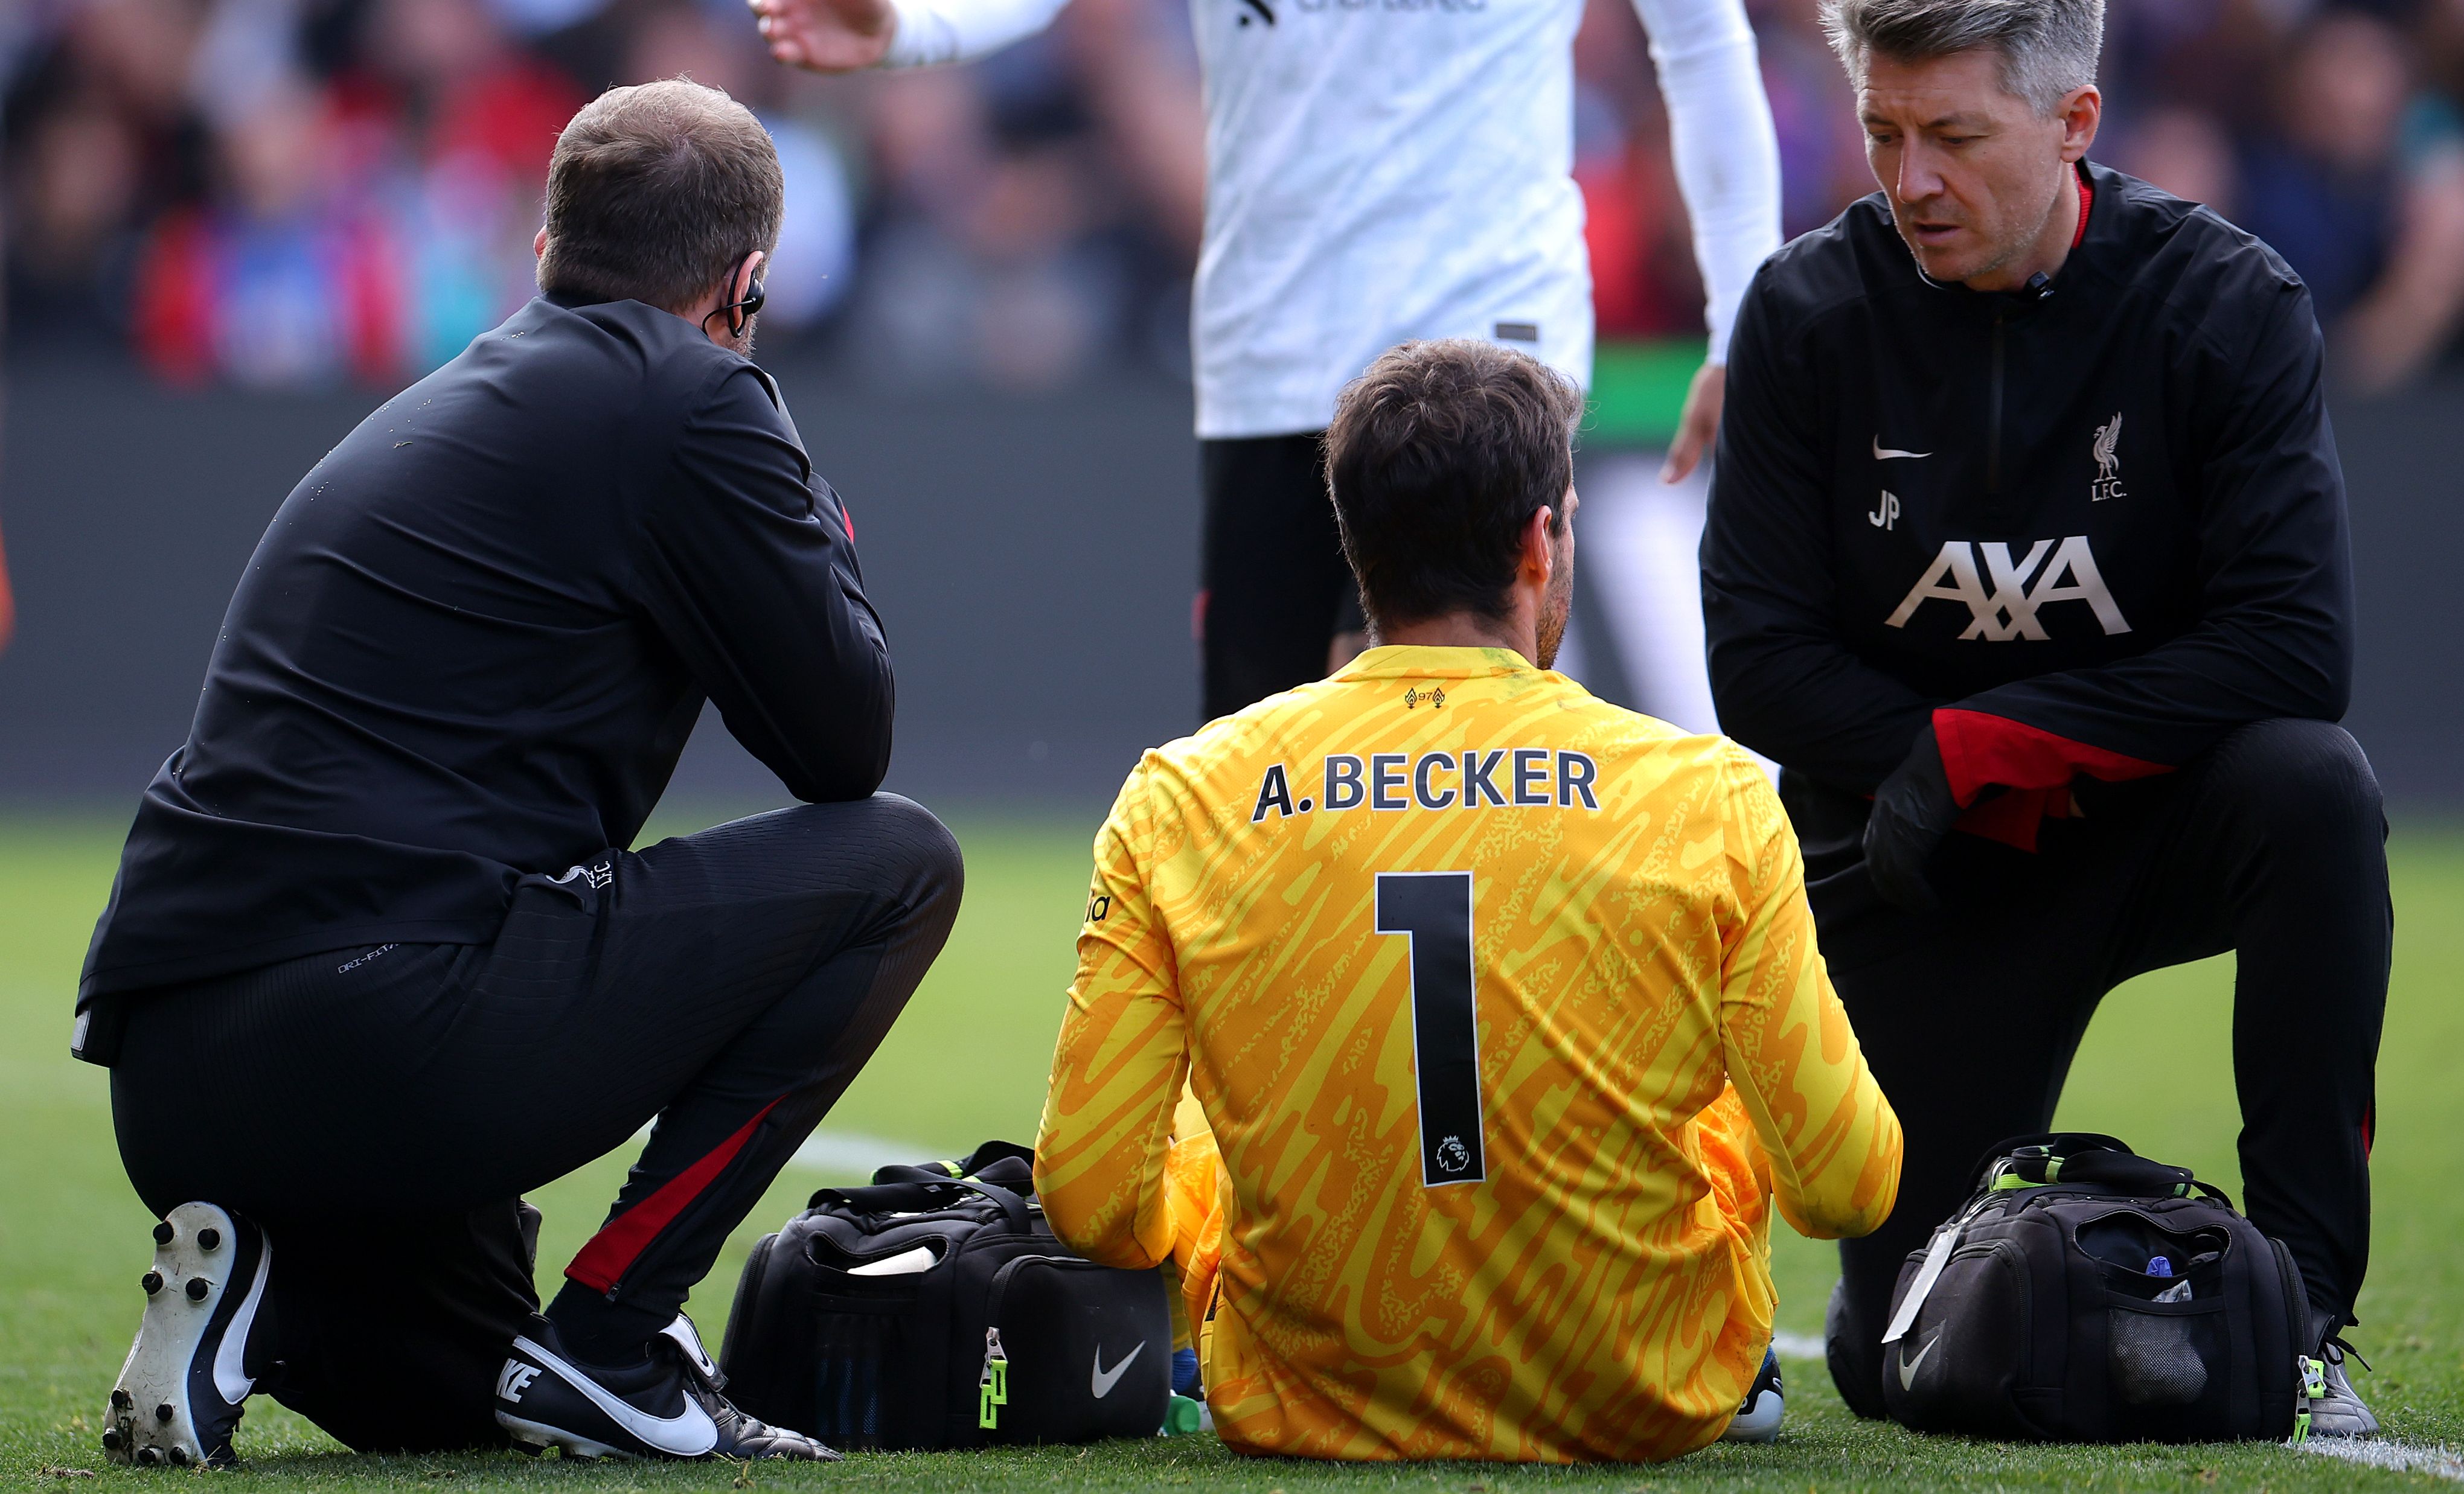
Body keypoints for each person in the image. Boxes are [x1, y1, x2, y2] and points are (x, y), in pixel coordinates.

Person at [78, 78, 961, 1467]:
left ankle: (257, 1287)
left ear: (547, 249)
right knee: (898, 864)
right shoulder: (696, 396)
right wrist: (791, 465)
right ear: (746, 283)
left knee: (476, 1398)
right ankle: (618, 1329)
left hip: (176, 1077)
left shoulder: (448, 399)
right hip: (385, 1028)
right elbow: (844, 743)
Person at [1700, 0, 2389, 1435]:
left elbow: (2294, 646)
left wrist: (1987, 749)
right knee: (1909, 1362)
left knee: (2313, 787)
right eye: (1884, 133)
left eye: (1953, 136)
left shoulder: (2226, 303)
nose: (1912, 180)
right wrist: (1944, 773)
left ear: (2075, 123)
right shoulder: (1806, 313)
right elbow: (1758, 665)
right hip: (1914, 861)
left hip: (2142, 824)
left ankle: (2304, 1317)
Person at [1030, 339, 1904, 1463]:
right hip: (1641, 1394)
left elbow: (1091, 1196)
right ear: (1540, 542)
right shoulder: (1707, 795)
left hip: (1307, 1400)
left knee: (1200, 1118)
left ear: (1358, 546)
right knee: (1725, 1083)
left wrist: (1210, 1241)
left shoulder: (1184, 794)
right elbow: (1847, 1188)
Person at [749, 0, 1787, 721]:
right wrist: (906, 29)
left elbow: (1703, 43)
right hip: (1273, 355)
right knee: (1268, 770)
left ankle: (1504, 979)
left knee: (1436, 721)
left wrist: (1744, 320)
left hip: (1482, 336)